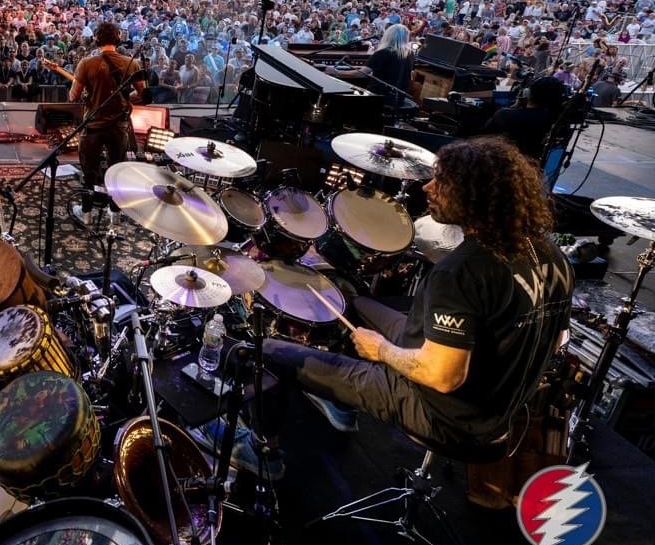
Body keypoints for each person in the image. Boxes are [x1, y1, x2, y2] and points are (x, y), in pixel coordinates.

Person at [238, 137, 573, 477]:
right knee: (348, 298)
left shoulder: (461, 271)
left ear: (474, 195)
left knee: (267, 352)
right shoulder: (552, 256)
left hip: (443, 414)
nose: (428, 187)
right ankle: (338, 400)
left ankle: (263, 453)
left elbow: (442, 376)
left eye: (441, 182)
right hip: (500, 404)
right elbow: (559, 339)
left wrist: (381, 350)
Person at [67, 21, 144, 229]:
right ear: (118, 39)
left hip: (92, 126)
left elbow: (73, 96)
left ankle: (86, 214)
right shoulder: (131, 63)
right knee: (116, 171)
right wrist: (125, 98)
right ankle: (114, 215)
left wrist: (87, 92)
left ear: (97, 39)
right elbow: (142, 94)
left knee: (89, 170)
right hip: (119, 127)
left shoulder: (86, 63)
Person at [481, 75, 567, 160]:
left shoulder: (504, 115)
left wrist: (514, 106)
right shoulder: (554, 120)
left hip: (503, 162)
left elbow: (484, 137)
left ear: (528, 93)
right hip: (531, 165)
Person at [365, 23, 413, 96]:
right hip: (400, 96)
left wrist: (340, 73)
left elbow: (361, 73)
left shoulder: (383, 52)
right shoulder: (410, 53)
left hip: (379, 96)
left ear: (388, 35)